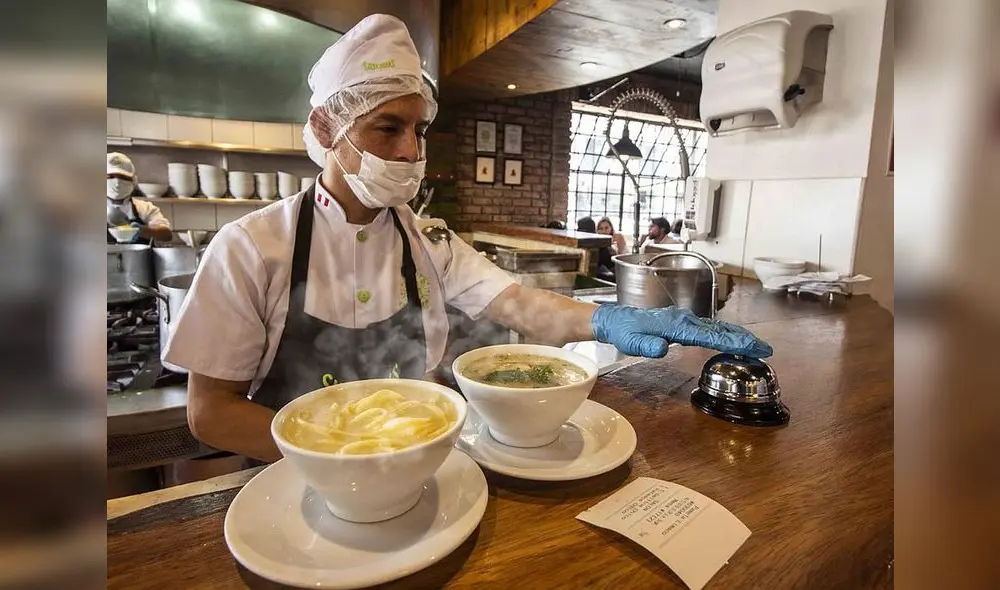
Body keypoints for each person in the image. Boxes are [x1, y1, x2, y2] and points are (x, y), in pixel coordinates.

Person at [163, 15, 772, 463]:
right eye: (387, 127)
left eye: (419, 129)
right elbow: (210, 412)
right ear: (328, 128)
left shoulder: (425, 239)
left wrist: (614, 319)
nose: (410, 151)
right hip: (290, 480)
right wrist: (340, 460)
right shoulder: (251, 247)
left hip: (425, 468)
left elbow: (522, 307)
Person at [106, 152, 173, 244]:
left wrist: (142, 231)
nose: (117, 182)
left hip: (138, 257)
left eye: (123, 178)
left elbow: (167, 234)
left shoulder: (144, 208)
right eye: (110, 177)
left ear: (133, 181)